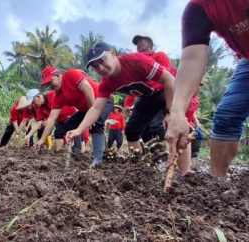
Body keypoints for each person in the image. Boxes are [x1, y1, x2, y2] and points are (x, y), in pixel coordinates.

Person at [67, 41, 191, 174]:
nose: (101, 68)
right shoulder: (106, 83)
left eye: (103, 61)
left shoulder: (137, 61)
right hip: (147, 97)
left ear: (113, 53)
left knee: (175, 125)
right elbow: (96, 109)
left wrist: (170, 112)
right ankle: (141, 171)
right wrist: (79, 130)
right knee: (132, 131)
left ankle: (185, 175)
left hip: (169, 89)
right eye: (96, 66)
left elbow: (169, 80)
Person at [165, 0, 249, 178]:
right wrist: (177, 112)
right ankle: (218, 185)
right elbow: (192, 60)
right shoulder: (200, 8)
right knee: (227, 115)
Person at [35, 66, 114, 166]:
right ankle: (77, 152)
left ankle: (98, 160)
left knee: (96, 123)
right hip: (86, 110)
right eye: (47, 84)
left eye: (50, 82)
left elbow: (88, 89)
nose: (50, 86)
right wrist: (42, 139)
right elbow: (52, 118)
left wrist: (92, 117)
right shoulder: (58, 96)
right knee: (69, 124)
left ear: (57, 75)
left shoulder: (71, 75)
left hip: (103, 100)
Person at [124, 35, 173, 142]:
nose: (138, 44)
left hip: (160, 94)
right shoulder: (135, 61)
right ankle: (151, 155)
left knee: (157, 126)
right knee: (139, 129)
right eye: (137, 43)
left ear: (149, 44)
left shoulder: (159, 56)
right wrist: (128, 103)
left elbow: (168, 76)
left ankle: (165, 155)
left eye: (141, 41)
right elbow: (134, 83)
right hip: (145, 96)